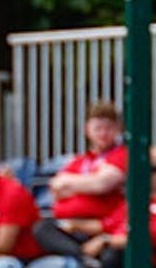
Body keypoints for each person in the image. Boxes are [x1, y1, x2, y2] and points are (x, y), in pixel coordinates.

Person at [41, 101, 129, 241]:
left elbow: (101, 184)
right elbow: (56, 188)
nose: (103, 133)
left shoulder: (121, 155)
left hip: (100, 225)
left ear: (118, 129)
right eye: (98, 128)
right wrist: (89, 185)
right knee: (42, 228)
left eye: (109, 128)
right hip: (69, 223)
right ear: (86, 129)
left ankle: (84, 258)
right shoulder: (81, 160)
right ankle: (84, 258)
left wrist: (71, 185)